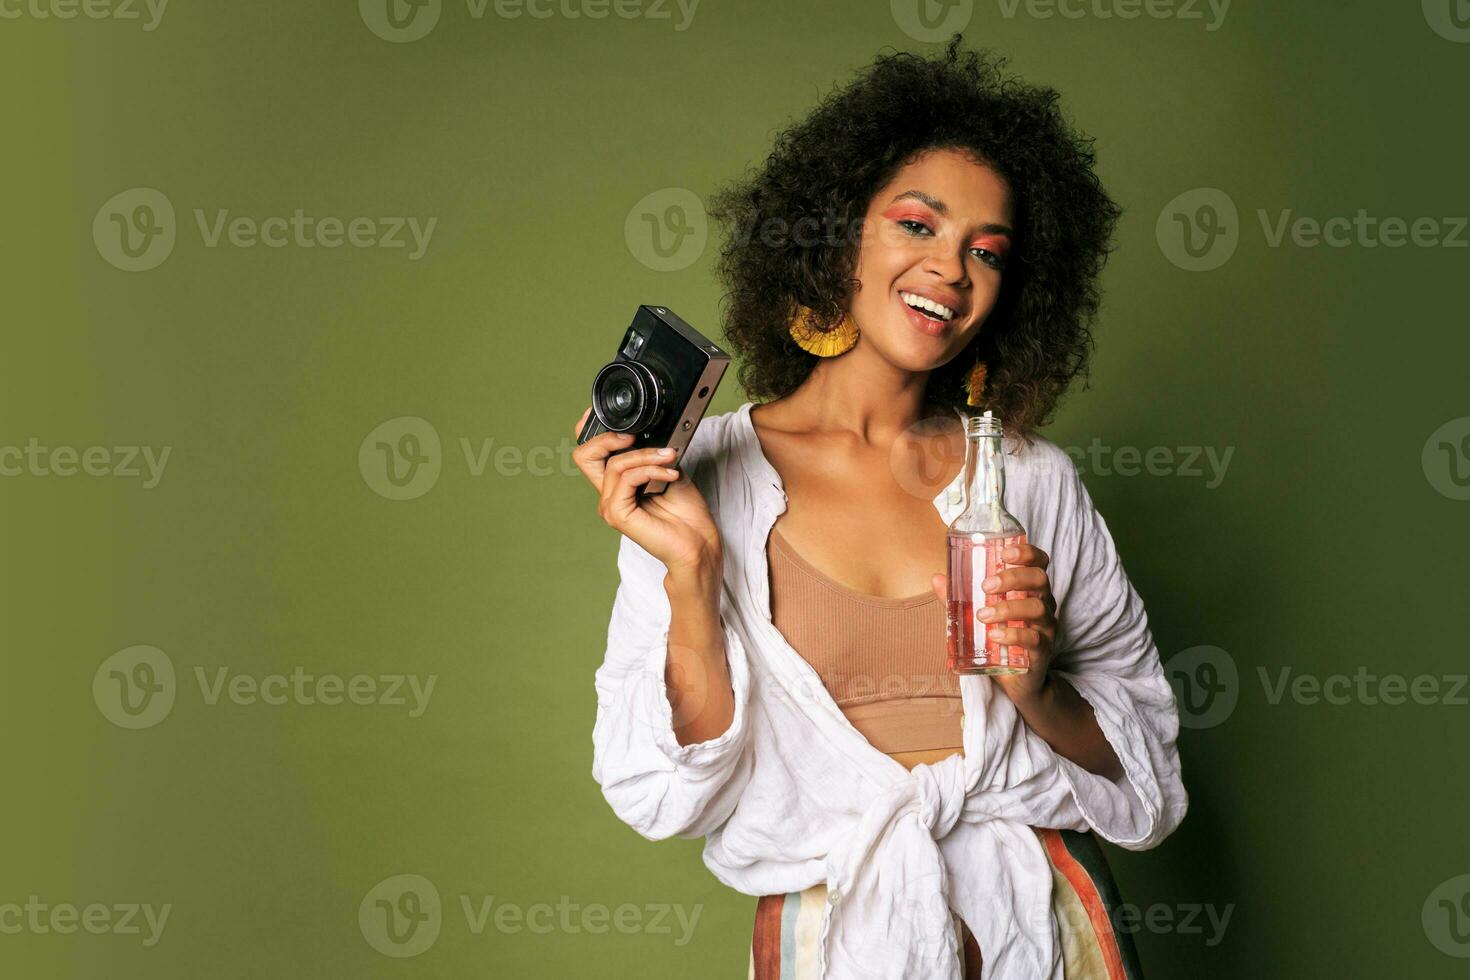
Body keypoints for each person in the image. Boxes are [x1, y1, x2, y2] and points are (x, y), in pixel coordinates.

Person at [573, 35, 1186, 980]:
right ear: (836, 238)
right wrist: (691, 575)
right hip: (840, 946)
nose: (952, 268)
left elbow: (1146, 766)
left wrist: (1036, 688)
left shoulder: (1031, 480)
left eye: (987, 251)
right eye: (916, 225)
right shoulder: (703, 478)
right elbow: (662, 793)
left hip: (1050, 933)